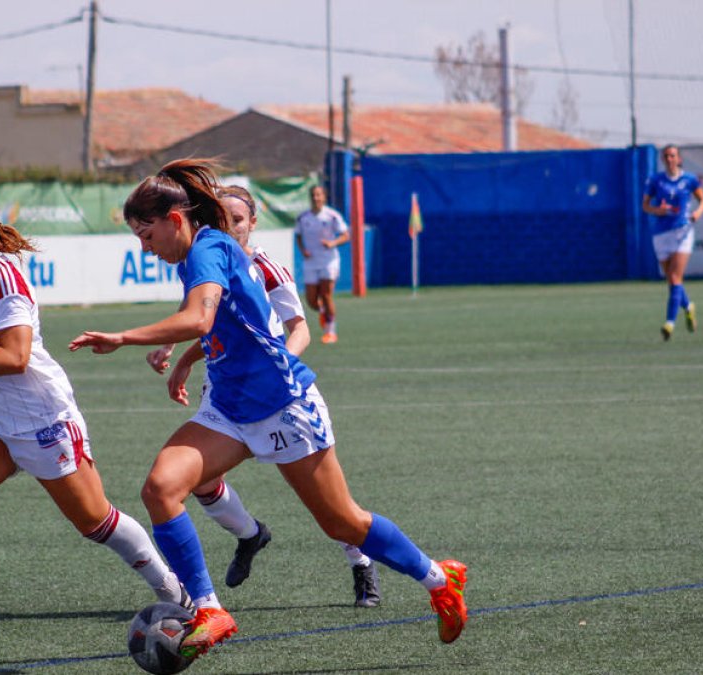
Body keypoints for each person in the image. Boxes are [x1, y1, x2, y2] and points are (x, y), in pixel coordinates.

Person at [70, 160, 468, 663]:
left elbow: (200, 316)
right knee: (161, 488)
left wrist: (124, 337)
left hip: (283, 406)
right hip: (230, 408)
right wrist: (188, 360)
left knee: (343, 523)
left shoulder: (209, 247)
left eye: (146, 233)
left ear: (175, 219)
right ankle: (210, 610)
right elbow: (221, 327)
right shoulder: (194, 255)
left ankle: (438, 578)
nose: (144, 247)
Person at [0, 191, 191, 650]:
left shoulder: (7, 282)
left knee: (96, 523)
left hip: (43, 419)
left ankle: (175, 593)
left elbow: (14, 357)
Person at [145, 185, 383, 608]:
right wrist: (181, 358)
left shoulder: (267, 268)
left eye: (238, 219)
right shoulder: (207, 257)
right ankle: (250, 536)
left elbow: (298, 329)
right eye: (222, 217)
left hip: (277, 394)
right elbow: (213, 324)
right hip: (225, 392)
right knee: (196, 481)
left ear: (252, 223)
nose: (229, 225)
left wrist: (274, 371)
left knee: (328, 505)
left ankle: (361, 561)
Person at [642, 144, 703, 341]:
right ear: (663, 160)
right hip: (661, 234)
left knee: (675, 275)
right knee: (672, 280)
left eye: (673, 156)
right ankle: (688, 306)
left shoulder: (689, 179)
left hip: (683, 232)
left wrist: (697, 213)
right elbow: (645, 205)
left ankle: (669, 323)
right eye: (666, 156)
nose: (670, 159)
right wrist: (657, 210)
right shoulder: (655, 180)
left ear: (678, 159)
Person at [294, 184, 350, 344]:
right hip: (311, 262)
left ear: (324, 197)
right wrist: (303, 249)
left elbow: (346, 235)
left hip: (328, 260)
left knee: (326, 295)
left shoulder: (332, 216)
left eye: (319, 195)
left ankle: (330, 331)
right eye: (313, 195)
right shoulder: (303, 217)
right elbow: (298, 235)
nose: (316, 198)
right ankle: (324, 311)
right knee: (311, 301)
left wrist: (333, 243)